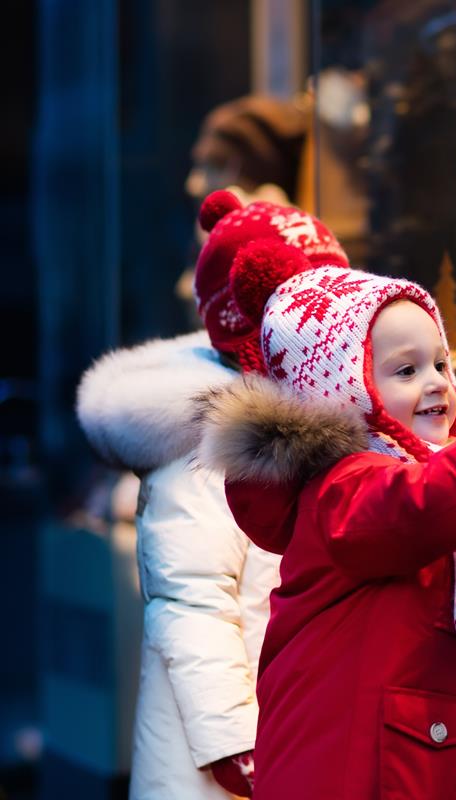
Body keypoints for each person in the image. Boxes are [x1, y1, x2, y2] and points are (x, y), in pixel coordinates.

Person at [195, 251, 456, 798]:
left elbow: (428, 553)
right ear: (344, 389)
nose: (436, 383)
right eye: (406, 370)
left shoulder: (393, 482)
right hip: (354, 766)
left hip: (402, 756)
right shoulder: (348, 485)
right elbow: (428, 506)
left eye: (440, 363)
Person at [76, 190, 350, 798]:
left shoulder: (312, 421)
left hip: (293, 724)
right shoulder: (204, 443)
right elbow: (190, 602)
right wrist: (233, 741)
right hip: (221, 753)